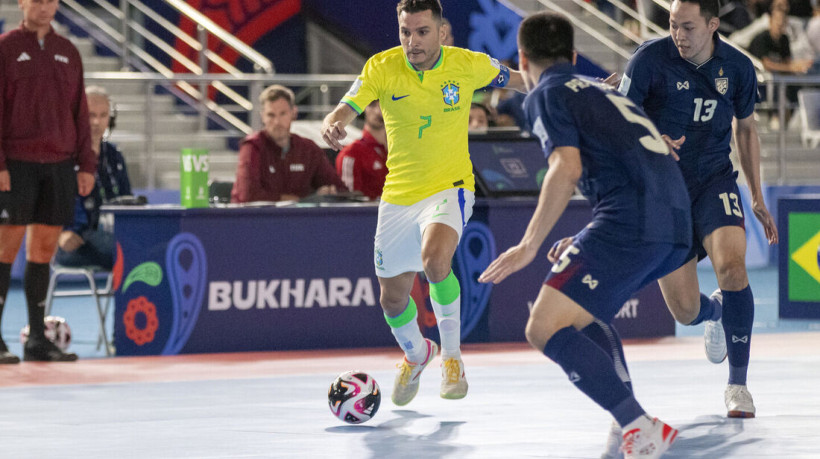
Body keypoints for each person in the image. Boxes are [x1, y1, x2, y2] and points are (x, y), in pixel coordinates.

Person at [478, 12, 690, 459]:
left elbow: (565, 166)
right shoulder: (602, 91)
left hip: (631, 221)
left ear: (523, 59)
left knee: (543, 327)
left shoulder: (546, 93)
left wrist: (529, 244)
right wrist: (587, 232)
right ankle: (627, 423)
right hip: (674, 223)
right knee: (584, 316)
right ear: (574, 56)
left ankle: (638, 425)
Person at [321, 0, 524, 406]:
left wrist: (580, 86)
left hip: (450, 186)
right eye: (405, 32)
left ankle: (452, 358)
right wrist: (335, 119)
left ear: (441, 31)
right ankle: (418, 354)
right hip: (398, 195)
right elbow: (349, 103)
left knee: (434, 262)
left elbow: (523, 79)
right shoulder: (382, 66)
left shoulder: (467, 64)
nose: (412, 42)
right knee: (392, 298)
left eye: (422, 32)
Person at [618, 0, 778, 421]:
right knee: (685, 311)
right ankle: (716, 311)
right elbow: (619, 119)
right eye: (673, 25)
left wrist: (757, 195)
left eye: (688, 27)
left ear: (712, 25)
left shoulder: (738, 69)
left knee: (733, 267)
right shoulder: (649, 60)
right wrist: (650, 138)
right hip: (663, 194)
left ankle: (738, 386)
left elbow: (746, 128)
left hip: (714, 182)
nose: (679, 35)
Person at [0, 0, 96, 363]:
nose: (45, 6)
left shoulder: (67, 51)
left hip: (58, 164)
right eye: (37, 0)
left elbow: (81, 113)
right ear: (22, 3)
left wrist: (86, 163)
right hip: (17, 163)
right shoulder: (6, 48)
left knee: (42, 251)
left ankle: (37, 339)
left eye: (51, 0)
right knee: (5, 249)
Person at [55, 86, 131, 270]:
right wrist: (60, 233)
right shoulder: (62, 155)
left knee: (153, 246)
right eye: (91, 115)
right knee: (130, 252)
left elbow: (128, 198)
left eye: (103, 115)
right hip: (76, 239)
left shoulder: (114, 155)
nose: (97, 122)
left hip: (113, 233)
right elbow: (48, 201)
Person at [231, 84, 346, 203]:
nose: (277, 122)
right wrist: (299, 200)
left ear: (293, 113)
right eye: (271, 115)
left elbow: (340, 189)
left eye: (283, 114)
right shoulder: (252, 147)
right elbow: (248, 196)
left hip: (300, 219)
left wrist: (329, 192)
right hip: (257, 220)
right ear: (262, 116)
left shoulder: (308, 149)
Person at [335, 100, 388, 200]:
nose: (378, 111)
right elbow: (350, 203)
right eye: (372, 105)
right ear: (364, 108)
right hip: (370, 214)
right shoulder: (351, 153)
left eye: (383, 104)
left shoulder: (402, 150)